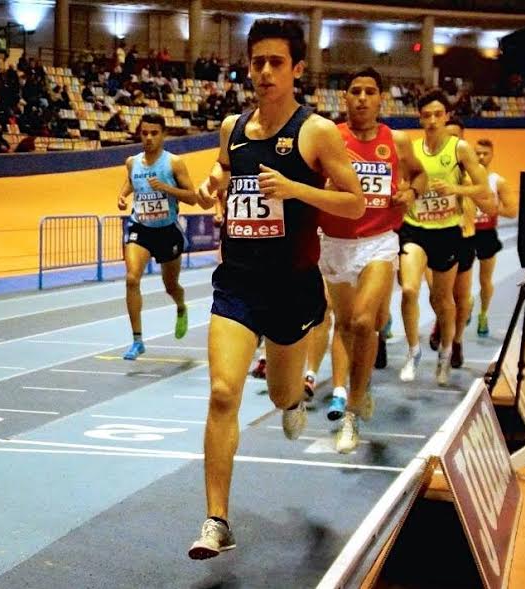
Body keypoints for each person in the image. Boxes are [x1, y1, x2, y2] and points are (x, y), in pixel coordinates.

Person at [190, 18, 364, 559]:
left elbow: (356, 202)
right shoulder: (232, 128)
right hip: (238, 283)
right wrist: (211, 185)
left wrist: (296, 189)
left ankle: (295, 400)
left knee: (284, 394)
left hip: (291, 286)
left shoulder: (316, 133)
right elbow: (223, 171)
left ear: (297, 70)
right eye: (257, 62)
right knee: (223, 393)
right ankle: (216, 520)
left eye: (275, 63)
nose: (264, 72)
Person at [318, 67, 426, 452]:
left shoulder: (395, 140)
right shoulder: (329, 139)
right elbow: (310, 183)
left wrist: (411, 192)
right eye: (355, 92)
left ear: (382, 99)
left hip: (379, 241)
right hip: (334, 242)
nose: (362, 98)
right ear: (344, 98)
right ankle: (353, 391)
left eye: (369, 92)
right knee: (345, 325)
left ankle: (352, 409)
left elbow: (419, 175)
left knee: (365, 321)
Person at [398, 90, 491, 386]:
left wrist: (456, 190)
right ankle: (413, 351)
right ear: (420, 118)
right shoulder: (411, 149)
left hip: (448, 232)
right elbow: (403, 182)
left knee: (442, 300)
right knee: (409, 290)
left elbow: (483, 188)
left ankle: (446, 352)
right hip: (415, 228)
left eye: (438, 114)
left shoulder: (459, 148)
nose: (433, 120)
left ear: (447, 116)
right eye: (427, 115)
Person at [117, 113, 197, 360]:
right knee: (131, 278)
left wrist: (166, 188)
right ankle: (137, 340)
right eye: (144, 133)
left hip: (167, 231)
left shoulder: (174, 163)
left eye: (154, 133)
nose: (149, 138)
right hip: (140, 228)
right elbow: (131, 182)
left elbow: (192, 197)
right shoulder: (133, 162)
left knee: (170, 286)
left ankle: (181, 307)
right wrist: (122, 195)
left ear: (163, 135)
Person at [473, 138, 518, 337]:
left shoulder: (497, 181)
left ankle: (483, 314)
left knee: (485, 280)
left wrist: (491, 208)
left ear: (492, 155)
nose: (481, 157)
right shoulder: (463, 178)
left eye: (485, 153)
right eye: (478, 153)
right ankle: (465, 305)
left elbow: (512, 211)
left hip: (486, 233)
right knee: (457, 281)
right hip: (463, 232)